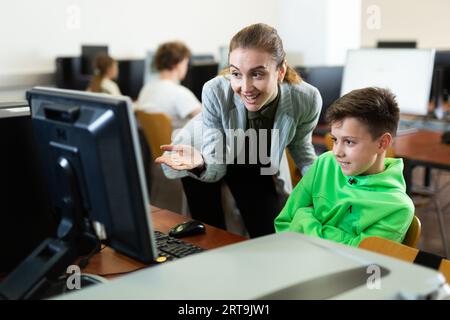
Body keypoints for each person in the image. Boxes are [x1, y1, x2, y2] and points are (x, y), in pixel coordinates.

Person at [155, 23, 322, 238]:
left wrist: (324, 183)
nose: (245, 87)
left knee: (267, 232)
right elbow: (215, 161)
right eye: (236, 74)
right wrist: (200, 163)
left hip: (252, 153)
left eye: (257, 74)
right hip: (199, 150)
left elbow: (301, 147)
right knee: (209, 233)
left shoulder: (306, 99)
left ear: (280, 71)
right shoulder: (215, 91)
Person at [275, 87, 415, 246]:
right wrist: (342, 238)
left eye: (349, 142)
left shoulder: (397, 208)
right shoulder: (325, 163)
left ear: (382, 143)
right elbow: (284, 222)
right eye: (335, 140)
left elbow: (357, 259)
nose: (336, 152)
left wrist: (304, 218)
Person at [137, 41, 201, 129]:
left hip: (155, 142)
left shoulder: (146, 89)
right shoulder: (180, 93)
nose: (186, 67)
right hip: (176, 142)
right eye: (186, 64)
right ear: (178, 64)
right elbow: (210, 121)